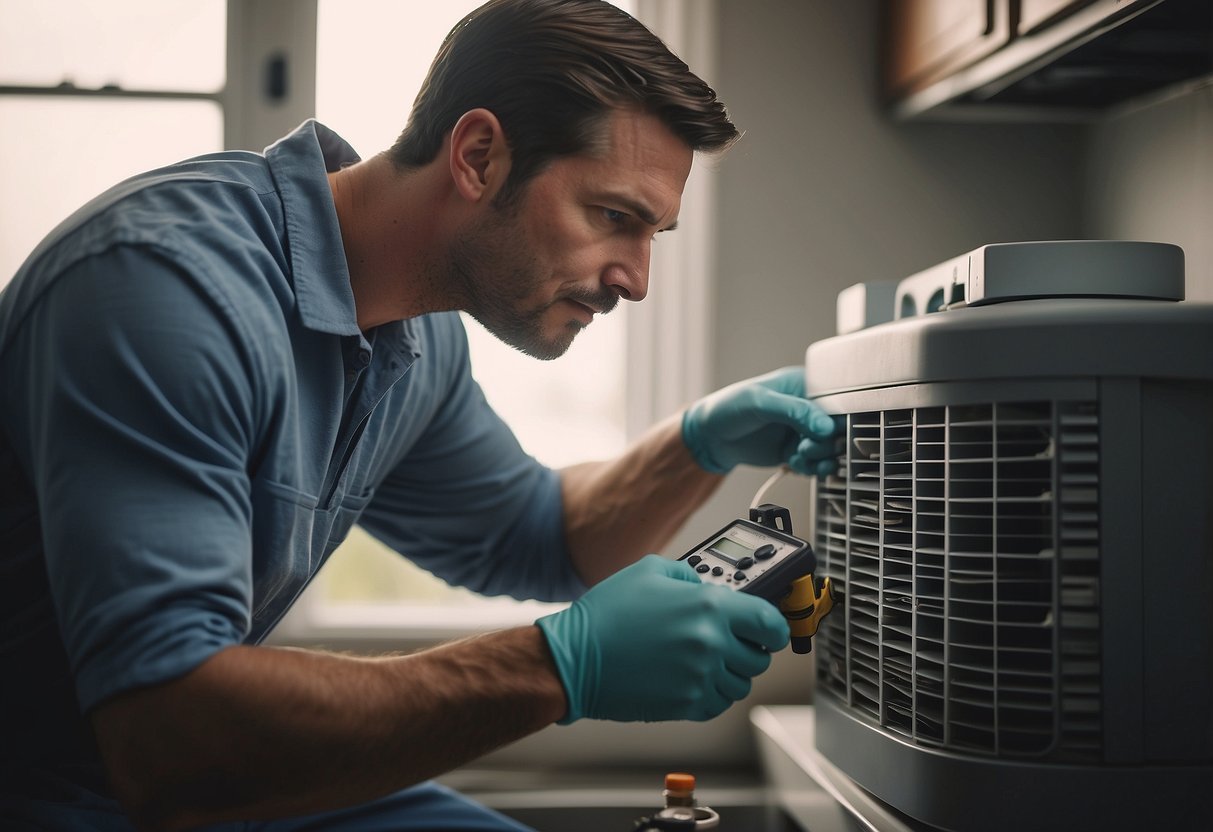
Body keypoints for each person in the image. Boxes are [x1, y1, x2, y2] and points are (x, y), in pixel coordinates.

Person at [0, 0, 839, 829]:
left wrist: (697, 441)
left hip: (194, 776)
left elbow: (541, 536)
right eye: (612, 217)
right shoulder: (168, 293)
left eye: (654, 232)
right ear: (477, 156)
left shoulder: (415, 339)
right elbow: (167, 738)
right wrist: (559, 665)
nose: (635, 279)